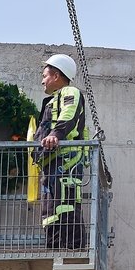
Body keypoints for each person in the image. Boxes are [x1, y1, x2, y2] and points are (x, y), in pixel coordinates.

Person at [32, 54, 87, 250]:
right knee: (51, 209)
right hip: (53, 161)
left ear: (56, 76)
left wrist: (56, 134)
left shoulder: (70, 92)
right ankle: (54, 248)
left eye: (45, 75)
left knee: (66, 204)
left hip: (67, 160)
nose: (42, 80)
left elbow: (68, 114)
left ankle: (73, 248)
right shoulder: (52, 100)